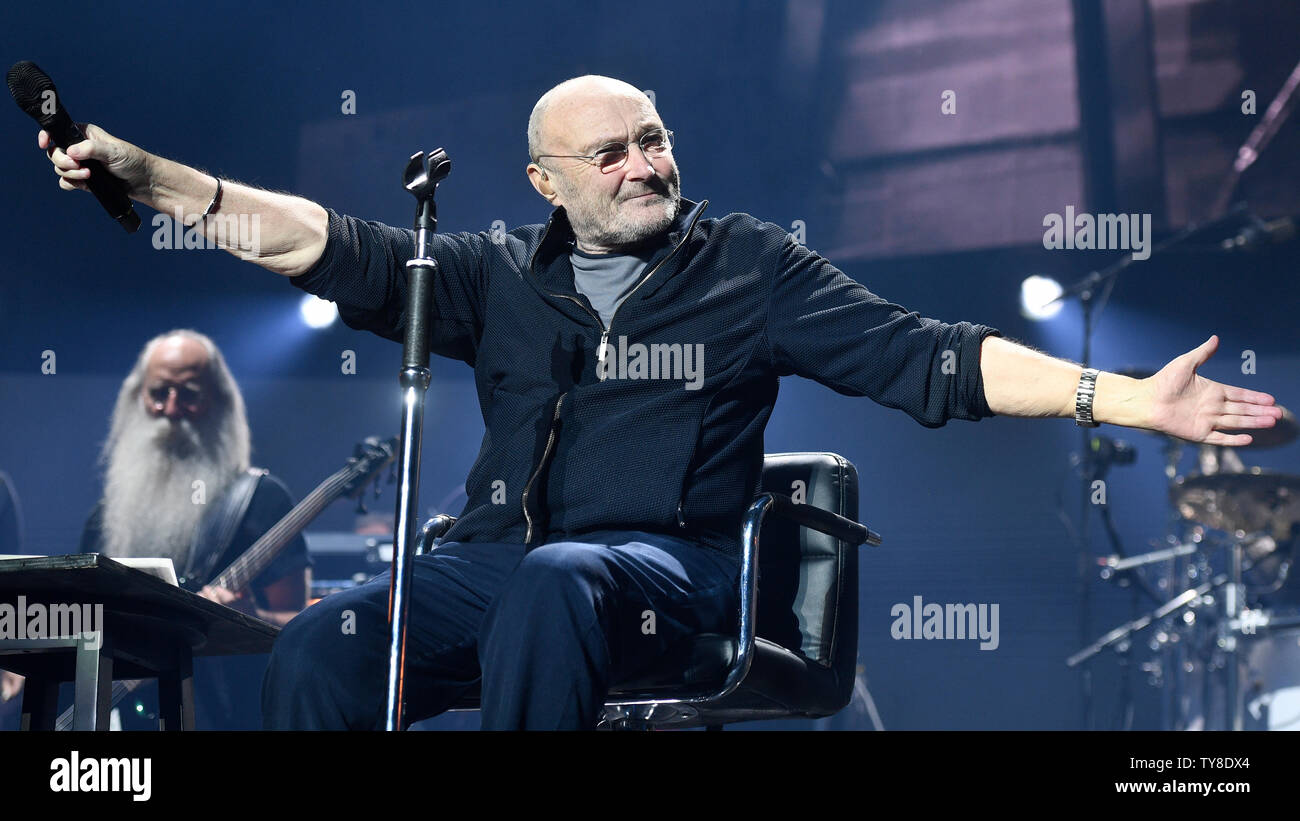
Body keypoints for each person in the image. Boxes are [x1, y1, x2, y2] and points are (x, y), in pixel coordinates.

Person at [37, 75, 1283, 730]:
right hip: (501, 559)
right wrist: (154, 179)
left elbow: (935, 355)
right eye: (613, 152)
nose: (647, 164)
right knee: (321, 644)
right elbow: (321, 240)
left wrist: (1121, 394)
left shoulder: (750, 267)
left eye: (656, 138)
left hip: (665, 569)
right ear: (544, 180)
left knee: (560, 576)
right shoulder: (488, 276)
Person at [78, 330, 312, 729]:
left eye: (188, 393)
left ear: (217, 403)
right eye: (158, 393)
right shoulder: (106, 516)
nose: (171, 410)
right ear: (137, 400)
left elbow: (300, 629)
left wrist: (251, 617)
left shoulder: (261, 500)